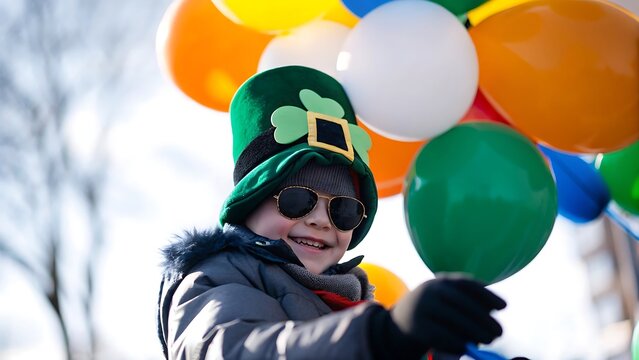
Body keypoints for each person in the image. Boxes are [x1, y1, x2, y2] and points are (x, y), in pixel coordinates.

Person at [157, 66, 506, 359]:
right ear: (250, 203)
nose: (321, 220)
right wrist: (380, 336)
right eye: (297, 200)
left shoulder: (350, 303)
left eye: (343, 210)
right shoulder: (215, 277)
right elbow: (233, 350)